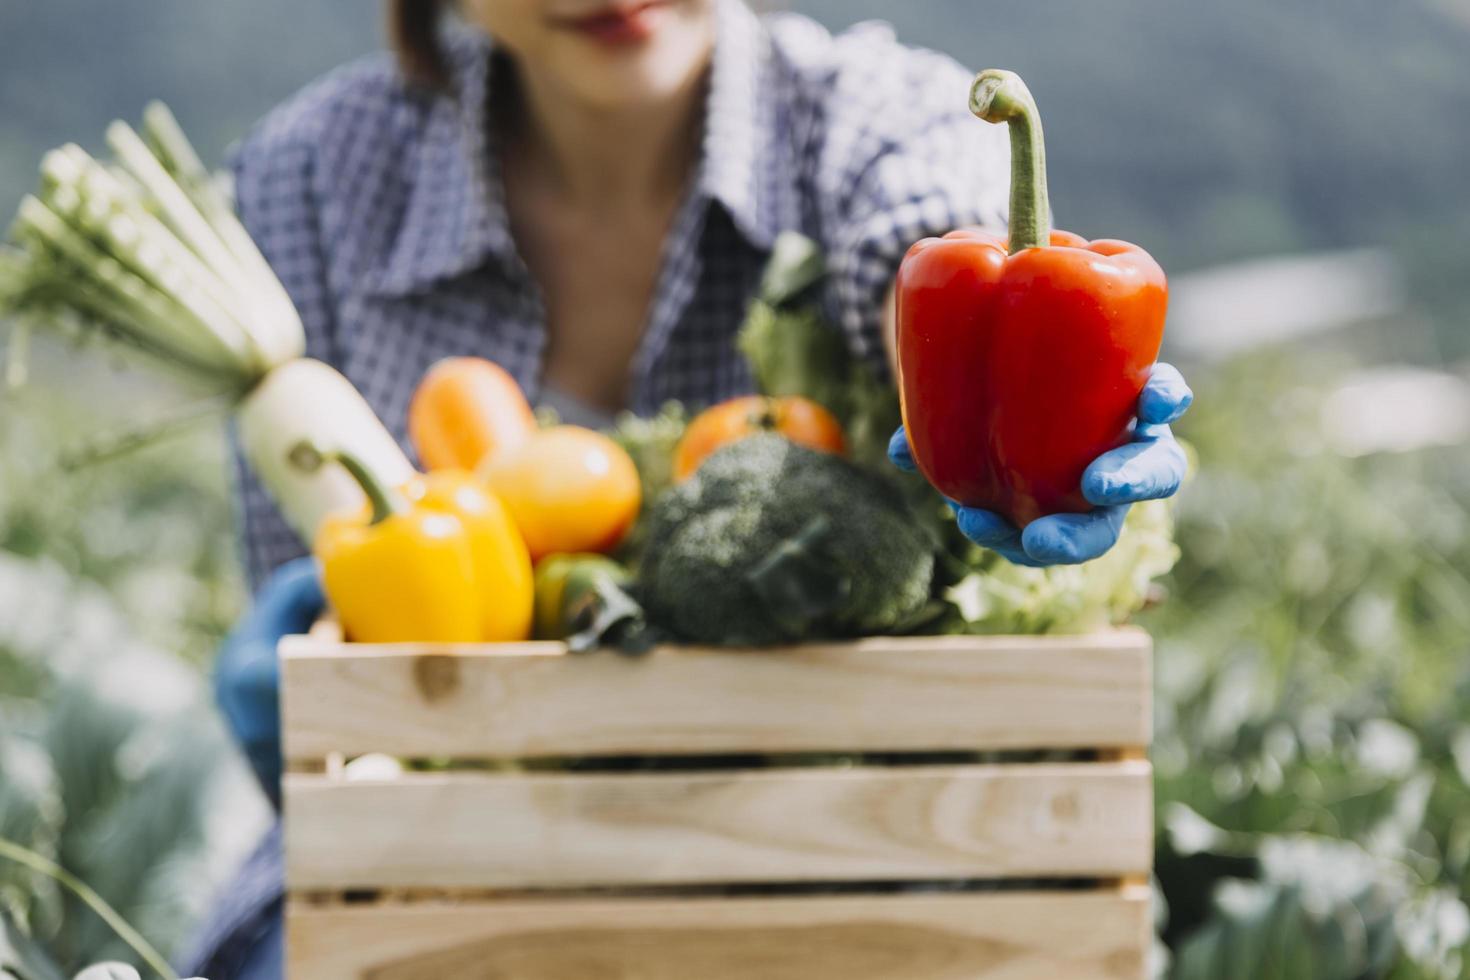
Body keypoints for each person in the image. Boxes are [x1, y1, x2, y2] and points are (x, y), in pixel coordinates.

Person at [183, 0, 1191, 974]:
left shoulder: (877, 115)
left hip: (851, 854)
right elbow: (325, 634)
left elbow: (921, 248)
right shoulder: (308, 175)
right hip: (432, 868)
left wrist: (1008, 421)